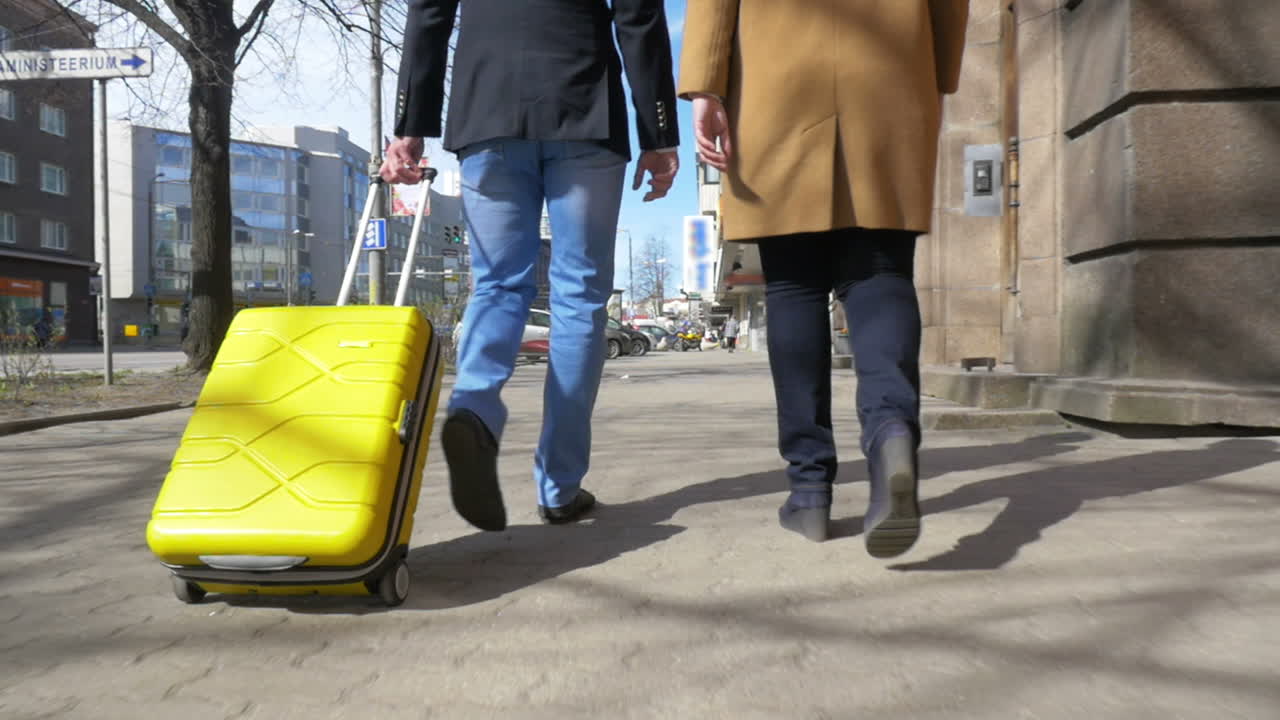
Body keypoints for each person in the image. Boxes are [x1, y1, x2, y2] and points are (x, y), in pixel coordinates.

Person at [679, 1, 969, 555]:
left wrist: (705, 84)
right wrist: (937, 67)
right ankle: (890, 433)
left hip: (776, 74)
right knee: (880, 270)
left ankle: (810, 490)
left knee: (792, 284)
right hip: (888, 64)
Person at [383, 0, 681, 531]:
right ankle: (559, 488)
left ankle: (474, 409)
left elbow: (429, 13)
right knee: (580, 297)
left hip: (486, 109)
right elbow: (637, 17)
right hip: (584, 108)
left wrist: (409, 126)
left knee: (496, 284)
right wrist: (658, 134)